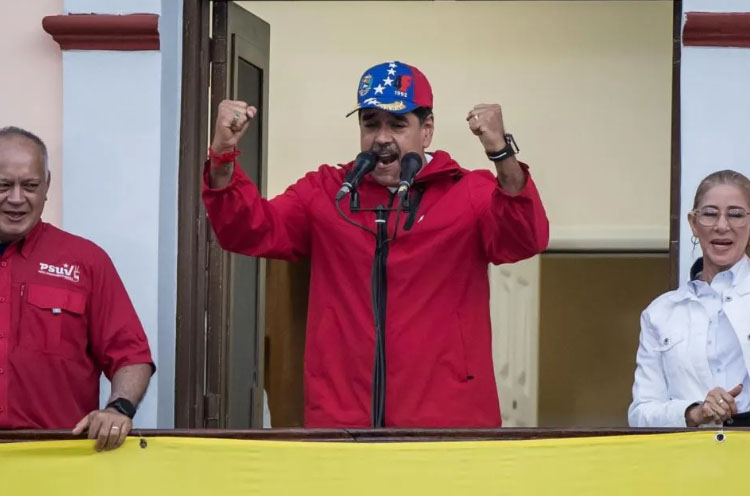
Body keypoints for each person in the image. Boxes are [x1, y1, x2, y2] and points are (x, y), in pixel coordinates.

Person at [203, 61, 548, 428]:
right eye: (370, 124)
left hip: (449, 426)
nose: (382, 138)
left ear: (427, 130)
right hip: (342, 425)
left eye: (397, 124)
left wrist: (501, 153)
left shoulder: (466, 193)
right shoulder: (326, 192)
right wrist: (222, 156)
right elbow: (247, 229)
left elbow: (527, 238)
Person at [0, 127, 154, 450]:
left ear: (47, 186)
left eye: (30, 186)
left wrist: (118, 409)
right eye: (3, 185)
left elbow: (131, 355)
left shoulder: (86, 262)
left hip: (58, 459)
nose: (16, 198)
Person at [629, 170, 750, 427]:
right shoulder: (660, 313)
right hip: (692, 450)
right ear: (693, 223)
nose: (722, 225)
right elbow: (640, 415)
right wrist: (694, 413)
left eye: (736, 214)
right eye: (710, 213)